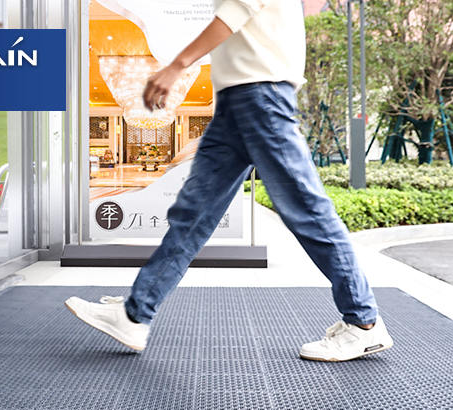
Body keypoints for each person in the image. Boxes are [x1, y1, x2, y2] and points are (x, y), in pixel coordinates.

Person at [66, 0, 393, 362]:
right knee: (193, 215)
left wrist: (177, 65)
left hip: (261, 95)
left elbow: (236, 11)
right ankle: (135, 314)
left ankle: (363, 322)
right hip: (238, 100)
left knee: (306, 208)